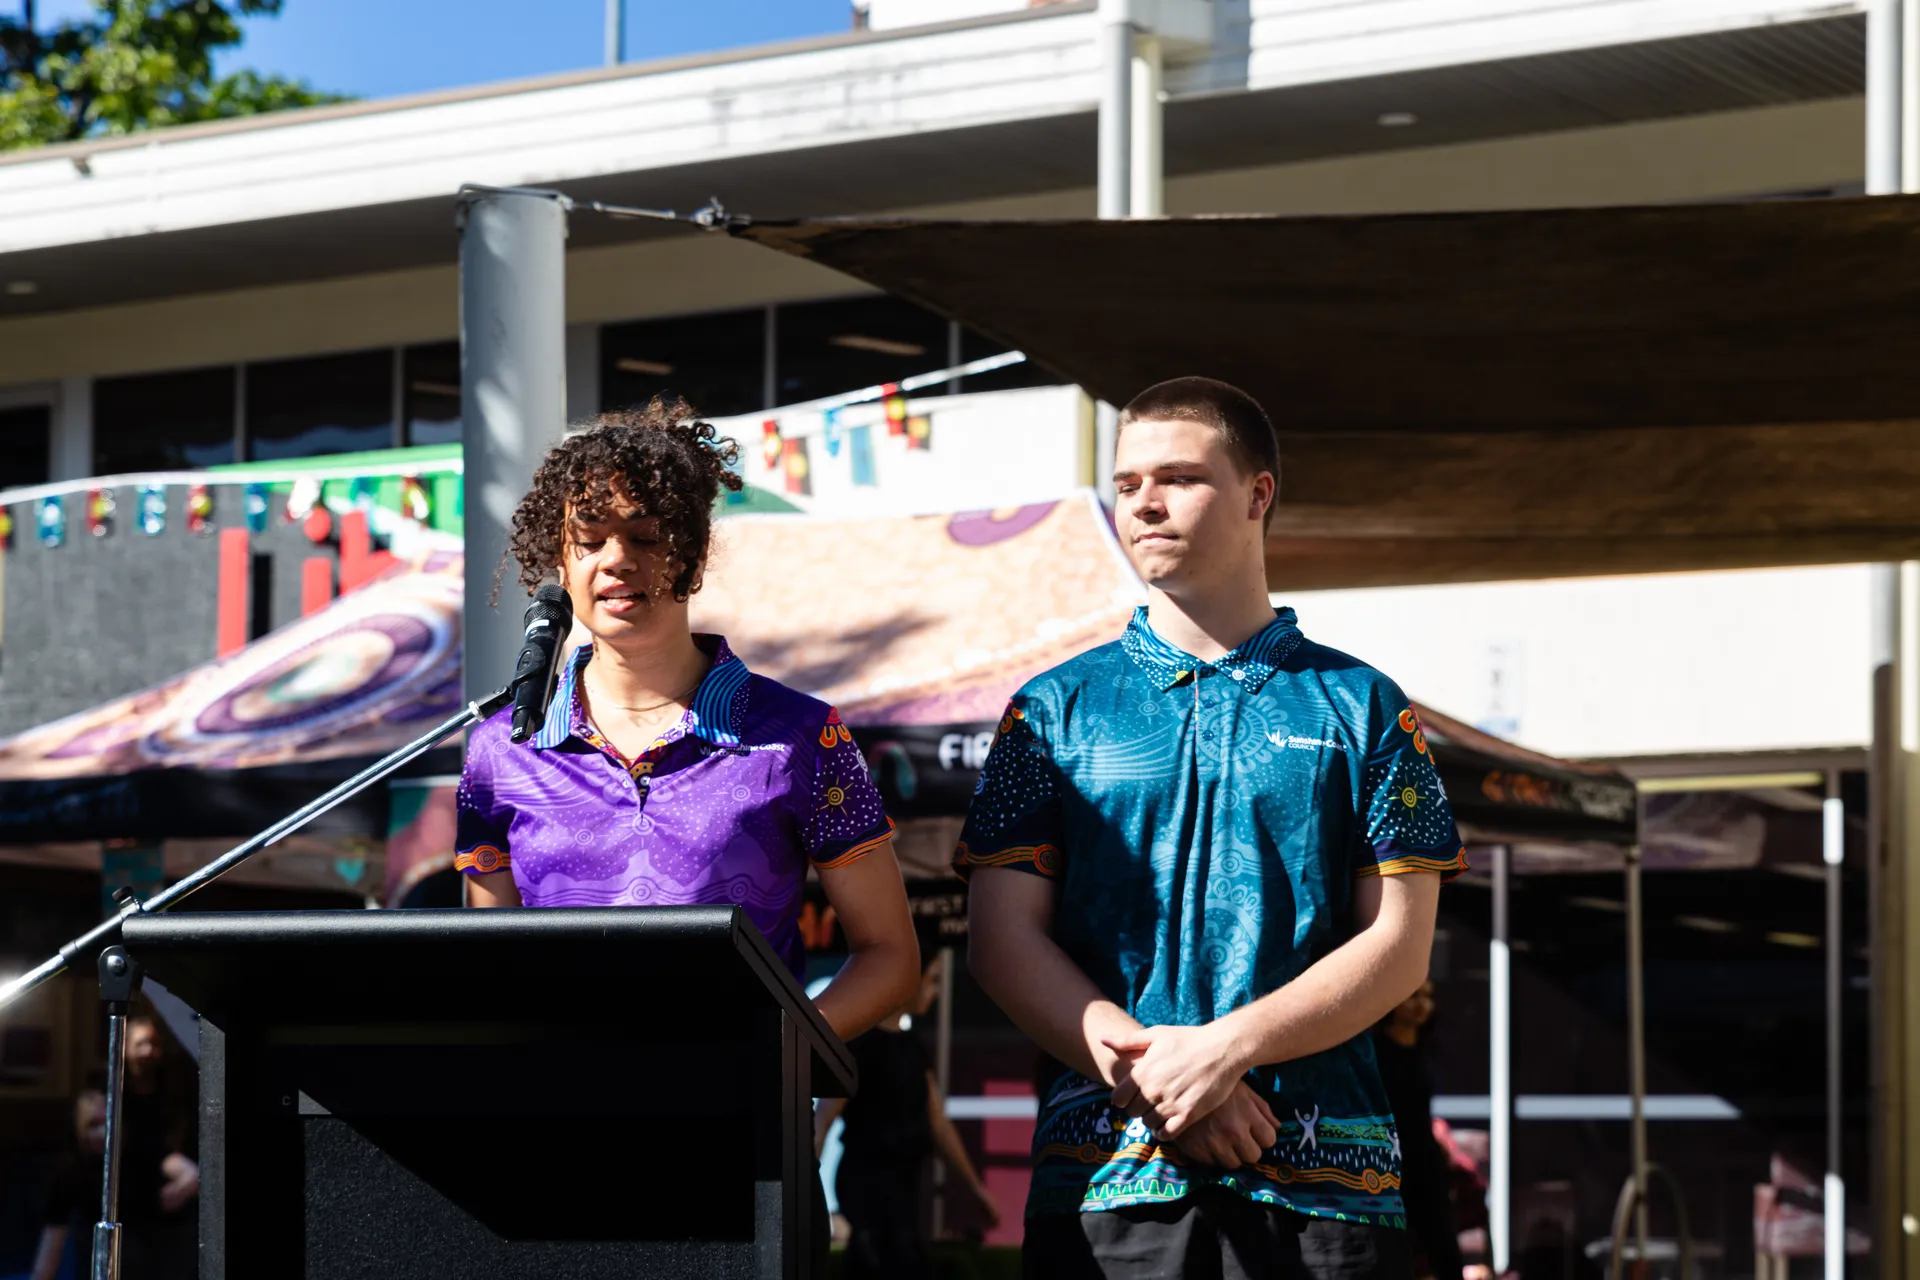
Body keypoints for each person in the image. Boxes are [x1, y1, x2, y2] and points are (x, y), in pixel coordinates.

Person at [958, 376, 1467, 1280]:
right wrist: (1164, 1080)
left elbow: (1399, 946)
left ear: (1257, 494)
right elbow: (1000, 943)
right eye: (1124, 484)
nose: (1143, 504)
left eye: (1178, 478)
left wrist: (1228, 1050)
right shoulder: (1049, 711)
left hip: (1327, 1194)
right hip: (1106, 1186)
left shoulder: (1364, 706)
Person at [814, 952, 1000, 1280]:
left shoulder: (911, 1046)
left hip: (906, 1189)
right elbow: (824, 1117)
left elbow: (937, 1122)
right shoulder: (859, 1044)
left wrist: (975, 1190)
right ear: (909, 981)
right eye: (933, 981)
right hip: (868, 1188)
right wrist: (800, 1190)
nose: (937, 991)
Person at [1372, 982, 1464, 1280]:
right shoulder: (1376, 1053)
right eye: (1412, 996)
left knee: (1443, 1245)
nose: (1421, 1004)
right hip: (1388, 1162)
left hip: (1424, 1159)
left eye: (1426, 997)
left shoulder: (1425, 1049)